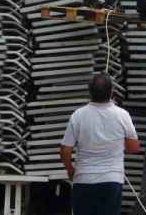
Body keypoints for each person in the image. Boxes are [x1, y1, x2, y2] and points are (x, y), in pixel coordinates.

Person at [59, 73, 141, 215]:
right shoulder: (122, 115)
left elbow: (65, 149)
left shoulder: (78, 115)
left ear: (89, 92)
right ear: (112, 91)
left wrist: (70, 169)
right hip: (112, 180)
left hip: (84, 179)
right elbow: (134, 148)